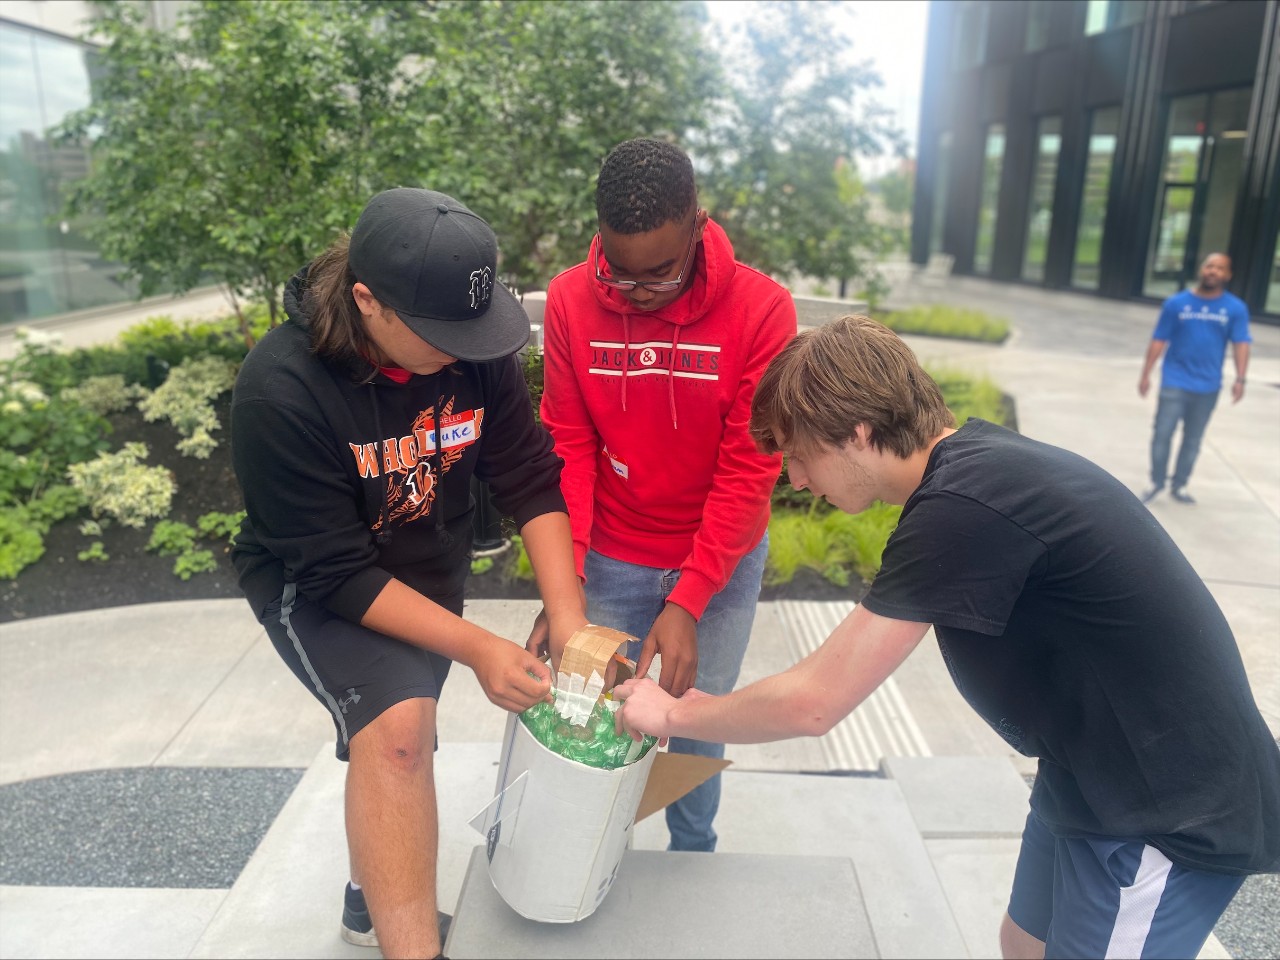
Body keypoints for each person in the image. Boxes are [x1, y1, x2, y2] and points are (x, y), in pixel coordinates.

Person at [615, 315, 1280, 959]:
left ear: (857, 432)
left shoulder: (965, 508)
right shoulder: (973, 472)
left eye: (800, 455)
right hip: (1087, 771)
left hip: (1166, 804)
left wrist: (675, 713)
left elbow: (815, 701)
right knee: (1023, 945)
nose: (797, 480)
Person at [229, 187, 586, 959]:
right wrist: (481, 647)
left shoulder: (468, 352)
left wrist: (569, 617)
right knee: (398, 731)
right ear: (367, 300)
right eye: (440, 334)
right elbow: (337, 573)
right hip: (316, 587)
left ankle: (370, 904)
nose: (462, 352)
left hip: (428, 567)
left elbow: (529, 476)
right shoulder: (280, 390)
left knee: (398, 732)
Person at [536, 137, 797, 852]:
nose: (639, 293)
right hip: (611, 554)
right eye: (619, 274)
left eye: (660, 273)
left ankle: (693, 848)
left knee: (699, 719)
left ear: (697, 226)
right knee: (596, 715)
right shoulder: (569, 299)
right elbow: (568, 445)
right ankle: (592, 857)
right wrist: (566, 579)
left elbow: (749, 469)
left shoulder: (762, 309)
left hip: (721, 561)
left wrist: (690, 597)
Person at [1138, 252, 1251, 505]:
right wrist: (1146, 373)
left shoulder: (1235, 308)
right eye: (1210, 266)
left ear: (1228, 275)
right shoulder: (1176, 303)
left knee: (1193, 439)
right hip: (1174, 380)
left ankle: (1180, 485)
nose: (1213, 271)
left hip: (1208, 385)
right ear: (1201, 269)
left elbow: (1241, 343)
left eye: (1220, 268)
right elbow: (1159, 339)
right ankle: (1156, 482)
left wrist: (1240, 378)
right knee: (1162, 433)